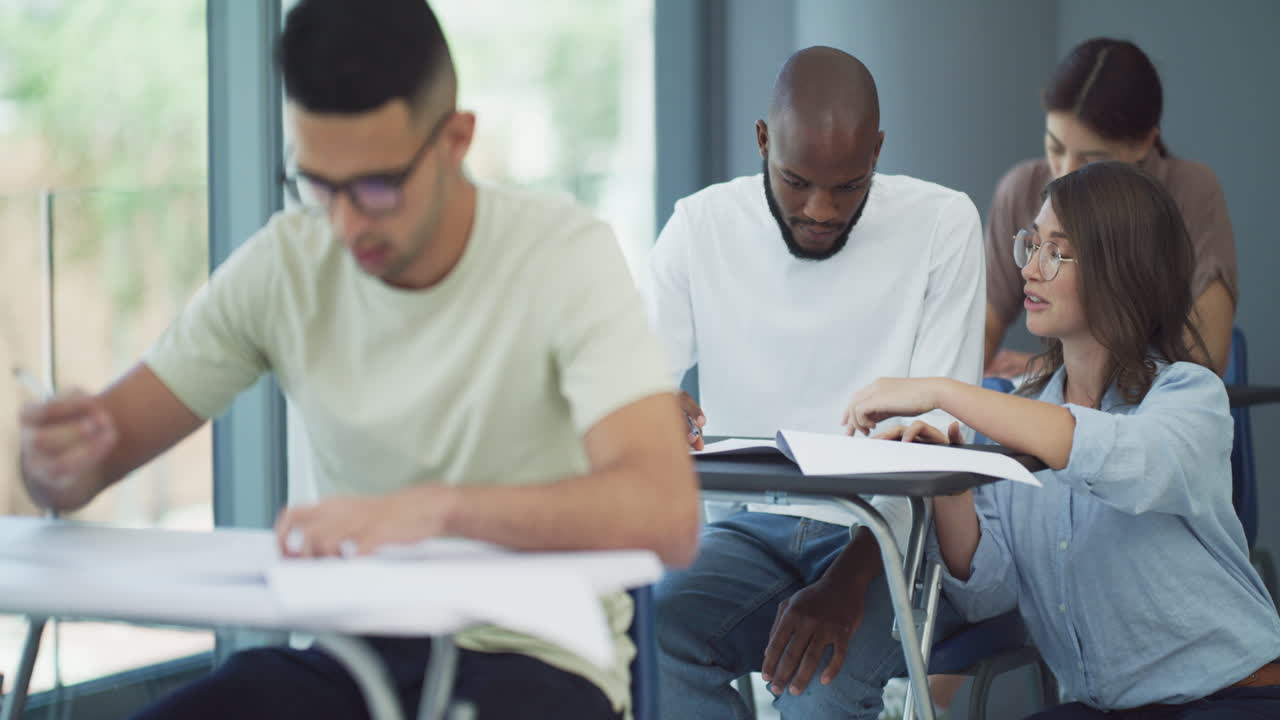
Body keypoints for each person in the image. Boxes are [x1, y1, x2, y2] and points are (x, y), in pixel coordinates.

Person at [15, 1, 700, 718]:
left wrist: (435, 509)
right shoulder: (288, 263)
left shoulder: (561, 254)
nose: (345, 223)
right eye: (318, 183)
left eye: (378, 186)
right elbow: (96, 455)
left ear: (456, 139)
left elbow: (664, 511)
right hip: (355, 651)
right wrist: (56, 461)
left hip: (536, 656)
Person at [846, 161, 1280, 718]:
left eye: (1057, 250)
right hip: (1106, 708)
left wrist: (940, 390)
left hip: (1234, 695)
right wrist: (951, 481)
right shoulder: (1021, 413)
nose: (1030, 268)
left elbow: (1117, 456)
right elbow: (989, 594)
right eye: (1031, 244)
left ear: (1120, 269)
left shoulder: (1190, 397)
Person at [643, 46, 985, 719]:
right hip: (749, 528)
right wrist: (648, 404)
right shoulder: (700, 225)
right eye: (797, 181)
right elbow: (629, 387)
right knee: (652, 633)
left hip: (891, 540)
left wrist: (849, 582)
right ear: (762, 140)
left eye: (849, 185)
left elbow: (944, 441)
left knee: (817, 691)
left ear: (879, 151)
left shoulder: (943, 225)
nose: (823, 210)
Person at [984, 38, 1236, 379]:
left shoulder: (1191, 191)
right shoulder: (1022, 188)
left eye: (1092, 159)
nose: (1067, 173)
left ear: (1143, 144)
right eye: (1055, 148)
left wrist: (1053, 369)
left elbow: (1206, 356)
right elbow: (980, 330)